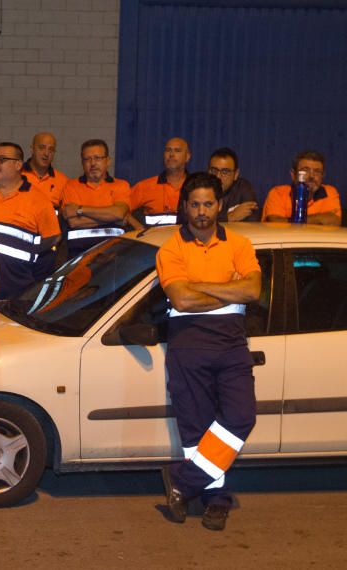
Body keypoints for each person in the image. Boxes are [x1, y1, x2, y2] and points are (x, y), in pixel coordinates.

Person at [156, 171, 262, 531]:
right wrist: (225, 286)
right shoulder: (171, 248)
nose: (201, 211)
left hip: (231, 344)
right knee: (196, 429)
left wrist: (199, 286)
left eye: (208, 204)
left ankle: (182, 483)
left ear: (220, 205)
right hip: (188, 345)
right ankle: (215, 500)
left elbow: (252, 292)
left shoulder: (239, 244)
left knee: (241, 416)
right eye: (195, 204)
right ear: (185, 206)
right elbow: (182, 299)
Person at [0, 142, 59, 298]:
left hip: (19, 290)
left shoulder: (38, 200)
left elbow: (53, 238)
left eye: (2, 159)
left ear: (18, 165)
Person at [61, 139, 131, 258]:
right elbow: (73, 222)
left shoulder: (121, 185)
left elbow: (119, 213)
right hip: (78, 257)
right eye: (87, 159)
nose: (93, 163)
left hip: (114, 256)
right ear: (82, 163)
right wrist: (112, 218)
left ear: (107, 161)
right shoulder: (71, 186)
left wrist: (80, 209)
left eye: (98, 158)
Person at [261, 150, 341, 225]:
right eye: (305, 170)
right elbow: (275, 224)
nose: (311, 176)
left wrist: (290, 221)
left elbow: (334, 221)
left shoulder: (329, 192)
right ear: (293, 175)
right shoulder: (278, 193)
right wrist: (319, 219)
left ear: (322, 176)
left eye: (317, 171)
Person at [129, 137, 191, 229]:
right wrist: (139, 229)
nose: (171, 154)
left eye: (177, 151)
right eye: (168, 150)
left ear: (187, 156)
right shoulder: (145, 186)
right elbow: (122, 210)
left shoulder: (196, 186)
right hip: (155, 242)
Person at [207, 148, 258, 222]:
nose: (218, 176)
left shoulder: (243, 188)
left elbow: (252, 220)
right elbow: (190, 219)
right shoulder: (199, 189)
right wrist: (229, 217)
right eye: (214, 170)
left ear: (236, 174)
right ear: (208, 171)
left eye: (225, 171)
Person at [21, 131, 69, 210]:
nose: (46, 153)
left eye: (51, 149)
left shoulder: (63, 181)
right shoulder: (16, 175)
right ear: (32, 149)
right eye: (41, 148)